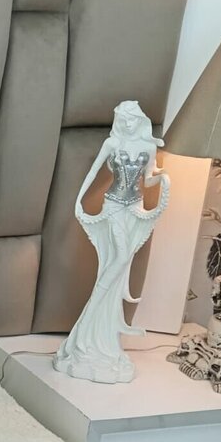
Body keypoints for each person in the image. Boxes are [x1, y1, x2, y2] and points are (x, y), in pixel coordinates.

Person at [54, 101, 170, 383]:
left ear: (138, 120)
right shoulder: (112, 143)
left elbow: (147, 180)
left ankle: (99, 333)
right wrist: (79, 201)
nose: (127, 124)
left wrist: (163, 180)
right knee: (119, 257)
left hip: (134, 208)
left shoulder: (149, 146)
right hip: (114, 206)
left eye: (131, 119)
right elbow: (93, 172)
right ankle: (89, 322)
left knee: (120, 263)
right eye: (123, 119)